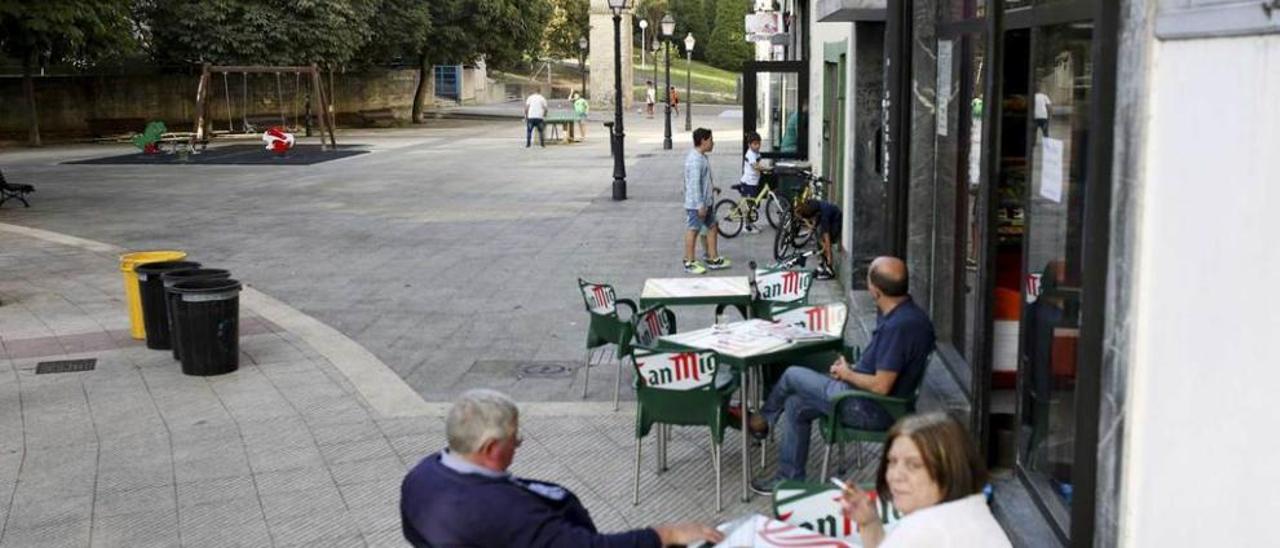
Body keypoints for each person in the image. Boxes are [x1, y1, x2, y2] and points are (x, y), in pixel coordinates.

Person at [401, 389, 724, 547]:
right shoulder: (502, 511)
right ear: (489, 448)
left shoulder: (421, 476)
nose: (519, 443)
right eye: (515, 437)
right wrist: (664, 533)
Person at [745, 256, 936, 493]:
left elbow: (881, 386)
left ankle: (762, 420)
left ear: (875, 290)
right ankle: (789, 481)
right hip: (865, 396)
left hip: (870, 407)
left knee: (792, 374)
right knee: (795, 404)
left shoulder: (899, 327)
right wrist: (854, 368)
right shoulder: (908, 314)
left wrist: (847, 374)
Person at [838, 413, 1012, 548]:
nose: (895, 475)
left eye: (913, 465)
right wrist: (869, 523)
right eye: (892, 462)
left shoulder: (923, 530)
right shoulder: (970, 512)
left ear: (949, 469)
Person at [683, 128, 732, 275]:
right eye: (711, 139)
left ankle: (713, 258)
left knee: (712, 226)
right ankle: (689, 262)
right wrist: (699, 205)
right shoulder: (695, 160)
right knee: (693, 230)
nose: (713, 143)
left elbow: (702, 181)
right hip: (698, 204)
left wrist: (711, 188)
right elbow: (694, 185)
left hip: (706, 201)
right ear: (703, 141)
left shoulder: (701, 156)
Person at [796, 199, 842, 280]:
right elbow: (812, 222)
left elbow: (827, 240)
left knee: (825, 240)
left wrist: (829, 259)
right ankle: (822, 264)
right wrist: (807, 222)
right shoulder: (811, 203)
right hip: (823, 213)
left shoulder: (824, 217)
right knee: (818, 239)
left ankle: (829, 269)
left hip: (836, 219)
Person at [739, 132, 766, 234]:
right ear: (749, 145)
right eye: (755, 144)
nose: (757, 146)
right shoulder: (750, 154)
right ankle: (746, 227)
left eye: (759, 143)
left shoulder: (756, 153)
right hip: (748, 183)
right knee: (750, 205)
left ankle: (750, 223)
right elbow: (755, 166)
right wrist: (765, 168)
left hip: (754, 182)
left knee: (753, 204)